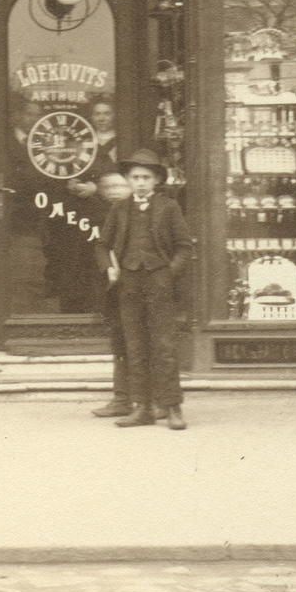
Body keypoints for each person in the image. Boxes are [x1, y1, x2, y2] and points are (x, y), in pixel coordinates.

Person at [92, 167, 194, 430]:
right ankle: (142, 409)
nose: (140, 183)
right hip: (128, 284)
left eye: (146, 178)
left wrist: (168, 274)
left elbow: (184, 247)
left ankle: (173, 408)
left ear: (156, 180)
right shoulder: (119, 208)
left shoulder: (169, 207)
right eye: (135, 178)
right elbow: (102, 245)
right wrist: (109, 268)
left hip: (159, 284)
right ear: (128, 180)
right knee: (135, 347)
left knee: (164, 346)